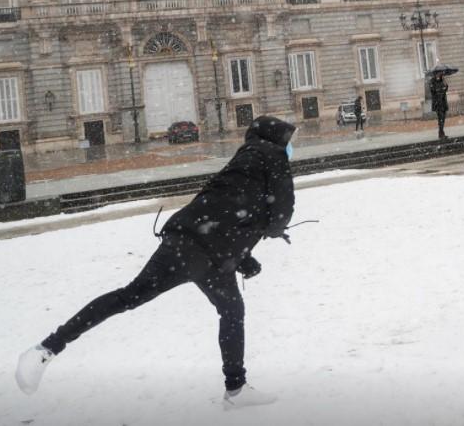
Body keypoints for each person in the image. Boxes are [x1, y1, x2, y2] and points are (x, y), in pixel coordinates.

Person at [15, 116, 298, 408]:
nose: (290, 146)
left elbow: (225, 208)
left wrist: (243, 257)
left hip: (186, 242)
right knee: (232, 313)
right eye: (289, 139)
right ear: (276, 138)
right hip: (209, 255)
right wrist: (273, 230)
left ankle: (47, 347)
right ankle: (236, 389)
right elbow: (279, 214)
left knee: (129, 296)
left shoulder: (244, 160)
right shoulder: (272, 155)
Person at [429, 71, 449, 140]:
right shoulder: (432, 81)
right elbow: (433, 90)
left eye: (441, 73)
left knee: (443, 119)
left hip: (443, 102)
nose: (440, 74)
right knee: (440, 118)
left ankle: (441, 133)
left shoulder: (442, 80)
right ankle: (441, 133)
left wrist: (445, 83)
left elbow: (445, 89)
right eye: (439, 73)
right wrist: (440, 90)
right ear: (436, 74)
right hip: (437, 103)